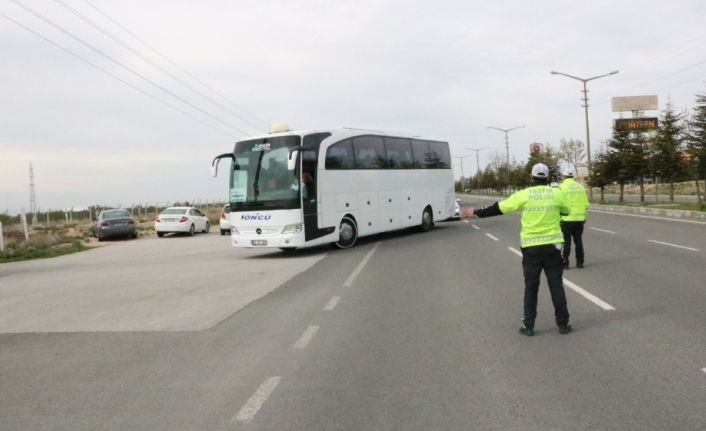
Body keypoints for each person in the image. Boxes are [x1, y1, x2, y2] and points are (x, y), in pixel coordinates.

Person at [460, 163, 572, 336]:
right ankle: (563, 325)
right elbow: (566, 210)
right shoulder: (557, 193)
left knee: (531, 287)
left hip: (531, 249)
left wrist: (477, 212)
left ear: (531, 177)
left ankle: (528, 326)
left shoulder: (523, 195)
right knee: (556, 285)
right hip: (553, 247)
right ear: (548, 177)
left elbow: (500, 208)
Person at [559, 168, 589, 269]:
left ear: (564, 176)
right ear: (573, 177)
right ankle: (580, 262)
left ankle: (565, 263)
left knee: (566, 242)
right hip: (579, 219)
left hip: (566, 219)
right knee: (578, 241)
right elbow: (586, 204)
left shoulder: (561, 187)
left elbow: (559, 204)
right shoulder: (580, 187)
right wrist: (584, 217)